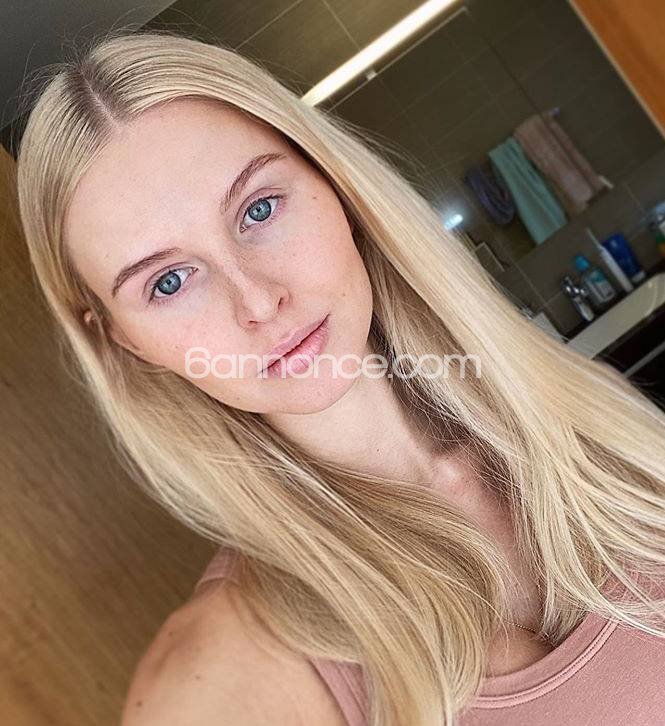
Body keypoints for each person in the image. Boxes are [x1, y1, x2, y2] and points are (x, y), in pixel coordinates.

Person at [14, 30, 665, 726]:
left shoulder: (591, 421)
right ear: (125, 341)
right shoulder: (224, 683)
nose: (258, 301)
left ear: (332, 184)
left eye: (258, 209)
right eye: (168, 282)